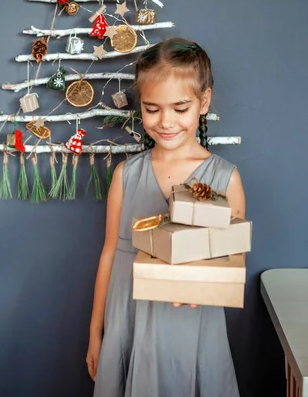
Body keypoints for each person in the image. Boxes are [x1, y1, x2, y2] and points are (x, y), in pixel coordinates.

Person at [86, 38, 246, 397]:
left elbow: (232, 263)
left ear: (203, 102)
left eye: (180, 107)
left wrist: (202, 283)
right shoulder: (126, 176)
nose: (166, 121)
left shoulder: (225, 179)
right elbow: (110, 253)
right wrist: (96, 332)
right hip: (129, 316)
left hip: (191, 326)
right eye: (152, 108)